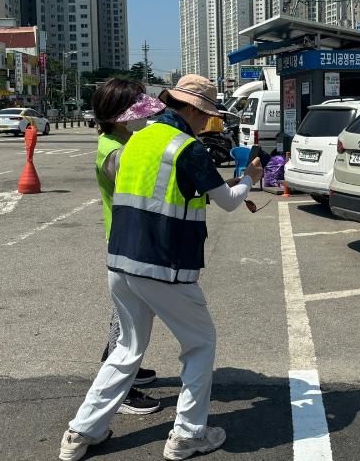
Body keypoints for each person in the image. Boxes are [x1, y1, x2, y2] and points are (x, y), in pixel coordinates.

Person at [59, 75, 263, 461]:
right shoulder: (187, 147)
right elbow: (230, 202)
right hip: (165, 265)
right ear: (190, 108)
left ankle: (81, 432)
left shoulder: (134, 141)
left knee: (126, 348)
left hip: (121, 262)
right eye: (205, 114)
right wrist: (250, 179)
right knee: (200, 344)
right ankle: (187, 435)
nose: (207, 122)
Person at [91, 79, 166, 415]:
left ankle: (126, 368)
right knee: (125, 318)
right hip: (127, 241)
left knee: (129, 313)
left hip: (132, 238)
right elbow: (140, 172)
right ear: (118, 116)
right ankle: (120, 385)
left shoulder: (125, 138)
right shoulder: (113, 150)